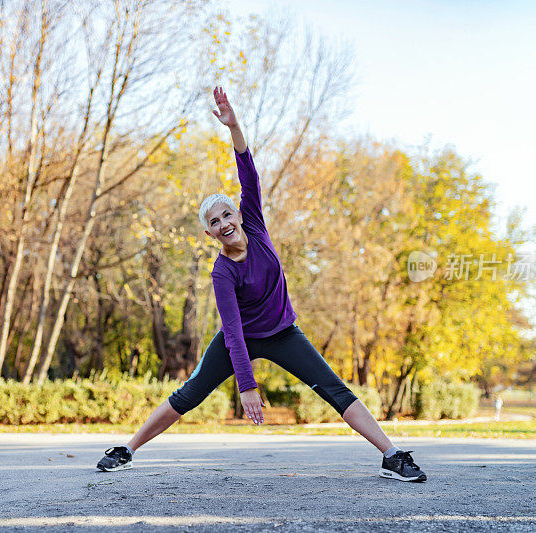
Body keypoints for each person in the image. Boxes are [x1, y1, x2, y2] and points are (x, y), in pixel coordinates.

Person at [97, 86, 427, 482]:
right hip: (242, 339)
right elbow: (233, 333)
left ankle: (391, 456)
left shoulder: (254, 220)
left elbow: (247, 169)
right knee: (190, 394)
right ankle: (127, 449)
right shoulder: (222, 273)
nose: (224, 224)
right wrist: (247, 386)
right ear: (209, 234)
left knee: (335, 390)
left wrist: (234, 126)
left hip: (284, 333)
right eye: (214, 222)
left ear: (237, 213)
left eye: (226, 214)